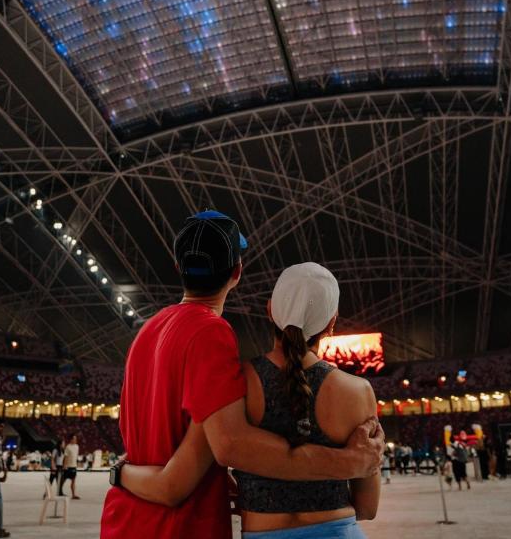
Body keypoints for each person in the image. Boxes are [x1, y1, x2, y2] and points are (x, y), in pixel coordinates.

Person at [99, 213, 383, 539]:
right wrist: (347, 464)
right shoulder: (210, 332)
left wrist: (121, 473)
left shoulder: (149, 331)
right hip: (177, 527)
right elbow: (230, 445)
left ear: (178, 269)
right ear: (237, 272)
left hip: (127, 520)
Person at [58, 434, 80, 499]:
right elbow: (65, 457)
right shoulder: (68, 447)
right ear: (71, 439)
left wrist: (76, 464)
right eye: (74, 439)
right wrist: (64, 465)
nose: (75, 440)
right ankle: (59, 491)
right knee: (63, 480)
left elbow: (75, 456)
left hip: (74, 466)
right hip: (68, 467)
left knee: (73, 481)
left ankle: (73, 495)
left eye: (76, 439)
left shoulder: (77, 446)